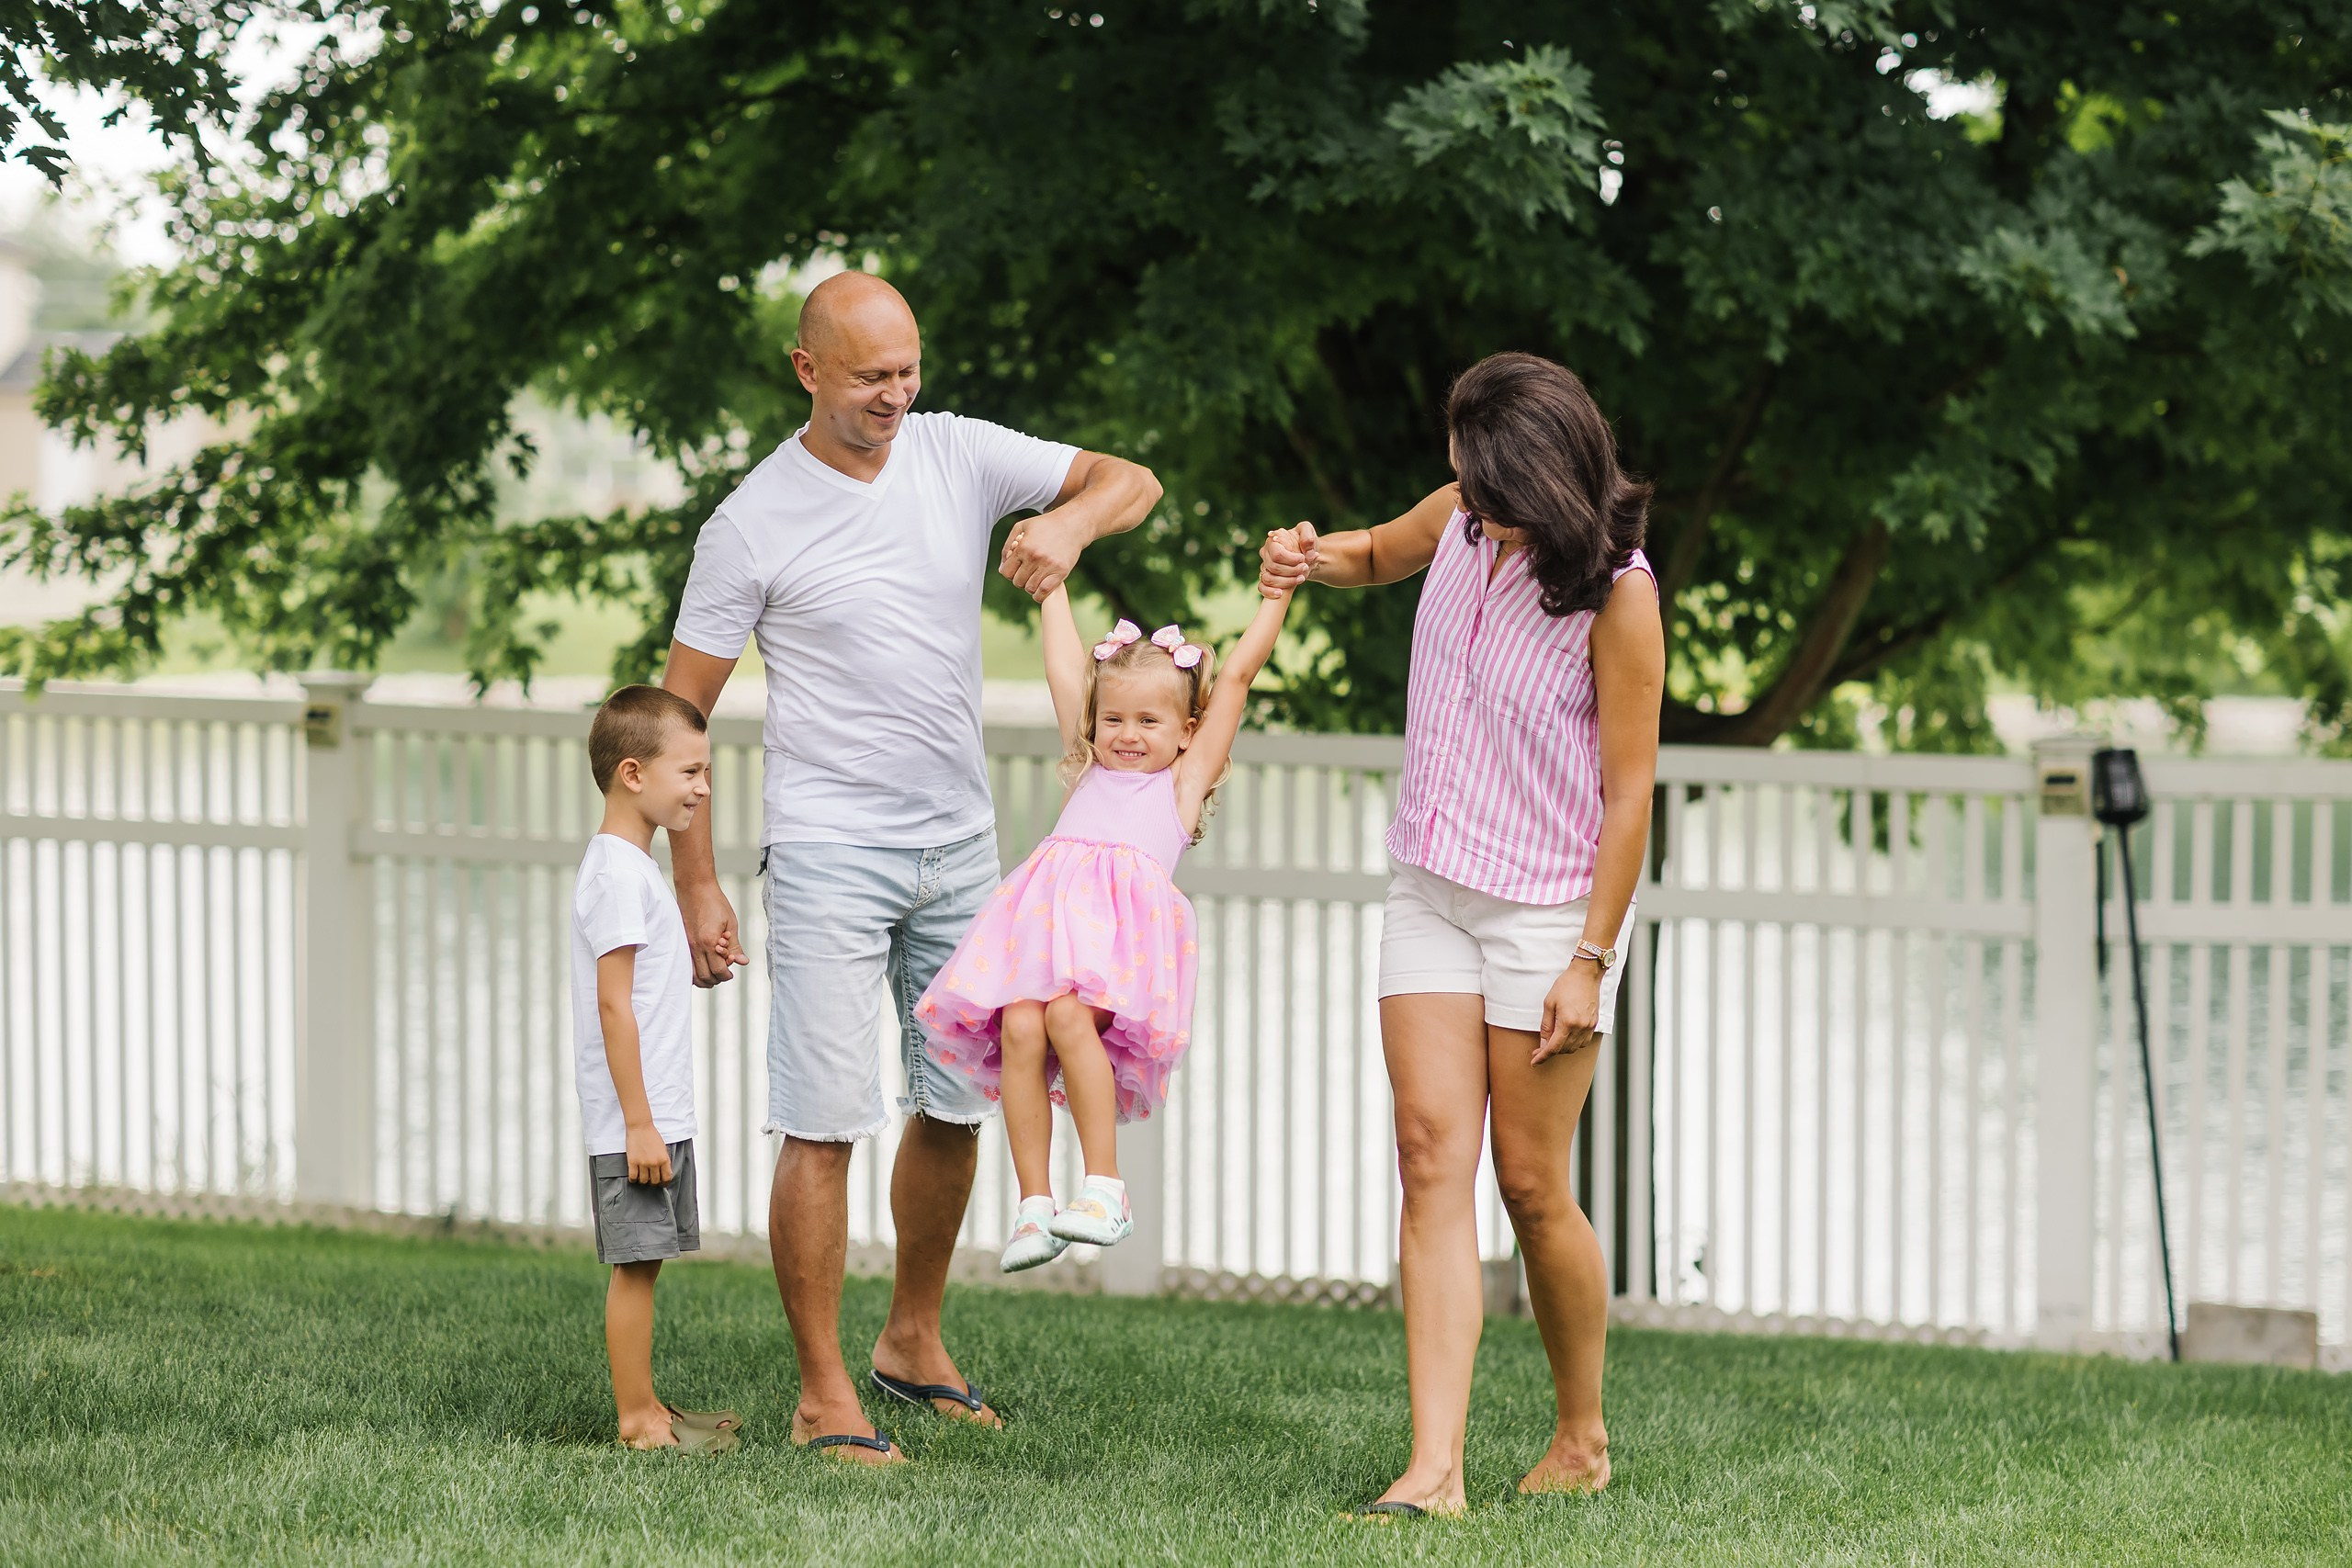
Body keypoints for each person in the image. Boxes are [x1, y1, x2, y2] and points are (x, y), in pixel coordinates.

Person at [661, 271, 1161, 1463]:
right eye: (872, 375)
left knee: (956, 1098)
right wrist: (694, 880)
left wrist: (1068, 524)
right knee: (824, 1118)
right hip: (831, 849)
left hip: (960, 842)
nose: (898, 392)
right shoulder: (751, 520)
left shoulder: (957, 452)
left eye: (909, 367)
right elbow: (678, 712)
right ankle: (824, 1388)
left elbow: (1129, 477)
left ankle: (912, 1339)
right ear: (807, 371)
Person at [1260, 352, 1664, 1517]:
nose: (1463, 499)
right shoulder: (1457, 521)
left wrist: (1589, 960)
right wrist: (1309, 556)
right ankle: (1433, 1470)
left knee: (1532, 1186)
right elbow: (1377, 551)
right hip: (1429, 885)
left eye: (1482, 484)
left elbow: (1630, 795)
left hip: (1548, 911)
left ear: (1541, 474)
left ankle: (1580, 1435)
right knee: (1431, 1160)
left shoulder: (1616, 592)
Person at [917, 573, 1295, 1270]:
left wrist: (1276, 597)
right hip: (1046, 939)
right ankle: (1036, 1205)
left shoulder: (1179, 784)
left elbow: (1238, 675)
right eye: (1114, 719)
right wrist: (1052, 588)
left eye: (1149, 723)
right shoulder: (1088, 764)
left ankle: (1106, 1188)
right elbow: (1065, 666)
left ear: (1186, 733)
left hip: (1118, 952)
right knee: (1023, 1023)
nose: (1126, 735)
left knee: (1063, 1018)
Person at [570, 684, 744, 1454]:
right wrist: (638, 1121)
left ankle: (652, 1403)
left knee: (650, 1261)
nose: (703, 790)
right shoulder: (615, 874)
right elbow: (613, 1007)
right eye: (692, 773)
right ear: (633, 773)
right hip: (636, 1118)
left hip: (658, 1111)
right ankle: (636, 1420)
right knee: (635, 1266)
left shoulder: (633, 870)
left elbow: (644, 988)